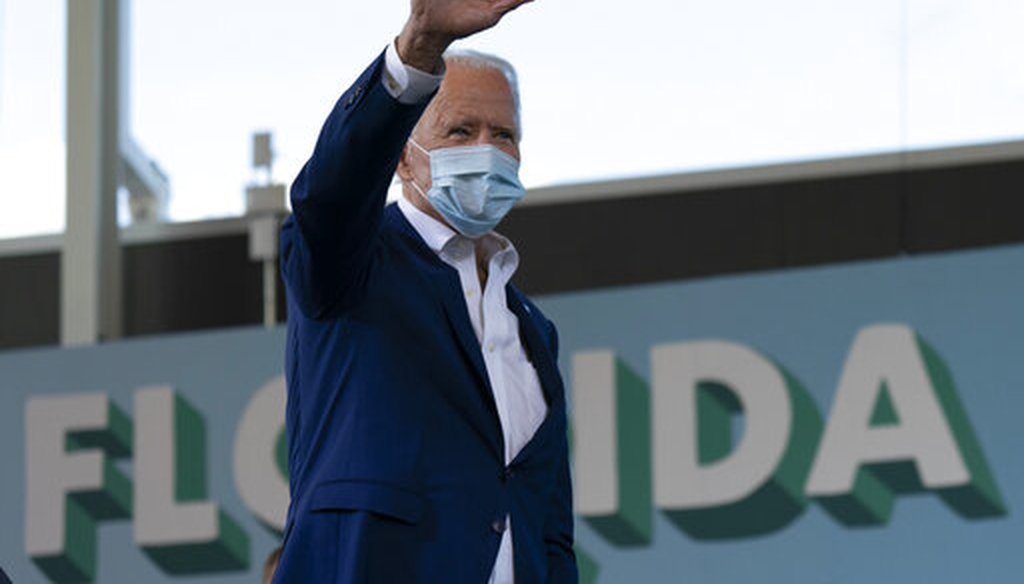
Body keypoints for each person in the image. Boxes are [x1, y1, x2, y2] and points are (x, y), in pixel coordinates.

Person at [274, 0, 577, 582]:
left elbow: (547, 528)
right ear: (403, 159)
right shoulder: (351, 263)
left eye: (504, 135)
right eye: (461, 129)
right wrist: (417, 49)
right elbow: (331, 193)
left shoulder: (533, 330)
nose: (486, 149)